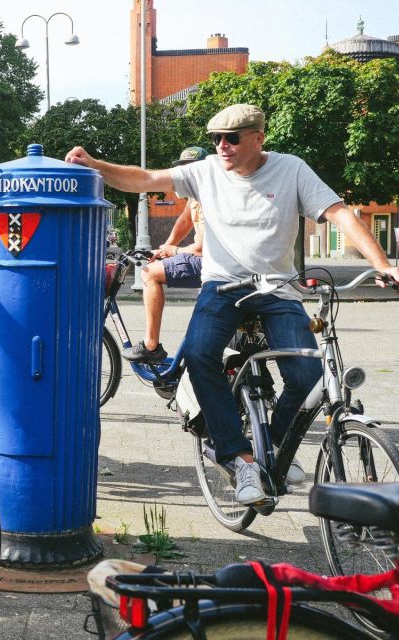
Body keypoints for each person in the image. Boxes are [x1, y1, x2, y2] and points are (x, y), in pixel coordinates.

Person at [66, 103, 399, 506]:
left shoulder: (291, 169)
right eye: (216, 139)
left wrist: (382, 264)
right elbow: (145, 178)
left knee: (309, 374)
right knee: (201, 354)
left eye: (232, 138)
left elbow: (339, 213)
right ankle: (238, 458)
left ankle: (270, 448)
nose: (222, 146)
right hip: (222, 286)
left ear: (258, 137)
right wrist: (96, 165)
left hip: (278, 290)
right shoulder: (205, 171)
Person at [123, 146, 208, 363]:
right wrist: (165, 247)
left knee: (150, 273)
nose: (186, 173)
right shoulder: (196, 195)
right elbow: (184, 221)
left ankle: (151, 346)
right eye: (183, 169)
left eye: (191, 168)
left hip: (210, 262)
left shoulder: (209, 197)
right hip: (211, 260)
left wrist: (174, 251)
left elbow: (201, 248)